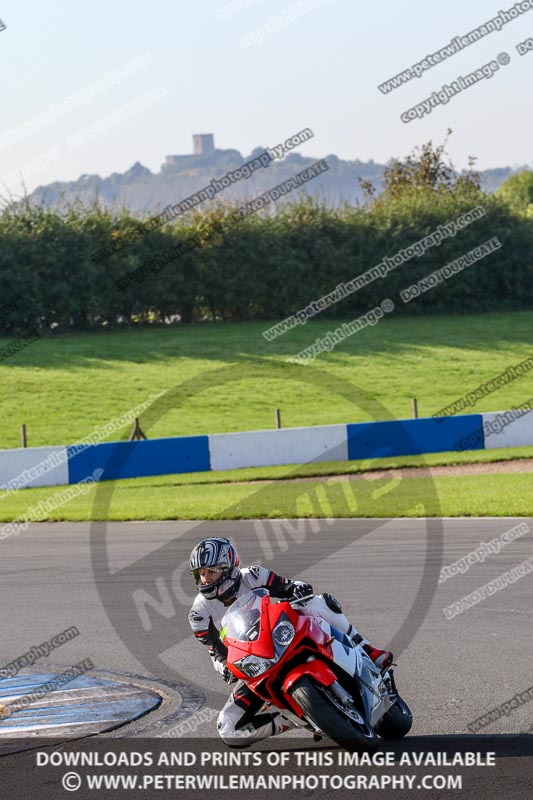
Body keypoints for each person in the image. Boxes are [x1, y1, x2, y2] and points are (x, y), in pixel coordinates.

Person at [188, 536, 393, 747]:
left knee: (318, 603)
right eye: (200, 573)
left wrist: (299, 588)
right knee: (228, 729)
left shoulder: (254, 575)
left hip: (281, 635)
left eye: (210, 572)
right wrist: (224, 668)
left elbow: (289, 587)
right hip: (255, 662)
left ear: (228, 567)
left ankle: (368, 649)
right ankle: (297, 718)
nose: (205, 579)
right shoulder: (198, 614)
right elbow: (216, 652)